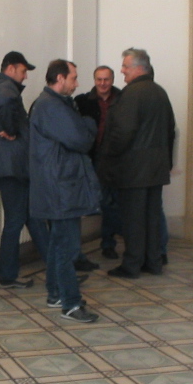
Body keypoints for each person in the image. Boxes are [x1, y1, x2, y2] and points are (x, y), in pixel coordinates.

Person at [29, 60, 100, 324]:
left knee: (59, 244)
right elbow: (81, 139)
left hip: (59, 185)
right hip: (60, 188)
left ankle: (56, 294)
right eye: (74, 78)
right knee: (66, 248)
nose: (77, 83)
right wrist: (89, 124)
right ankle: (71, 304)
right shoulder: (51, 106)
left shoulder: (54, 104)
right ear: (60, 78)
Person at [0, 51, 49, 288]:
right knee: (16, 220)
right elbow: (7, 105)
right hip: (12, 166)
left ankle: (58, 269)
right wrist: (12, 130)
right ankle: (7, 275)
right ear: (10, 68)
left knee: (32, 219)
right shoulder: (5, 88)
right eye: (23, 71)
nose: (25, 76)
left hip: (10, 165)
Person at [104, 48, 175, 278]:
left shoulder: (132, 94)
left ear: (138, 68)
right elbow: (170, 130)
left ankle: (132, 265)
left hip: (134, 169)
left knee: (133, 219)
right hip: (156, 169)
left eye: (125, 66)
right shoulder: (160, 92)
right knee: (152, 218)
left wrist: (110, 156)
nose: (122, 71)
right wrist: (167, 162)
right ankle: (153, 262)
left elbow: (123, 132)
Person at [75, 65, 122, 261]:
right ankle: (104, 244)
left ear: (112, 80)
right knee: (102, 202)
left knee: (115, 203)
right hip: (93, 159)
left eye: (106, 79)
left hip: (117, 159)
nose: (102, 83)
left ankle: (109, 242)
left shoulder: (123, 99)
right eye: (99, 79)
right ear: (94, 80)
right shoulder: (82, 102)